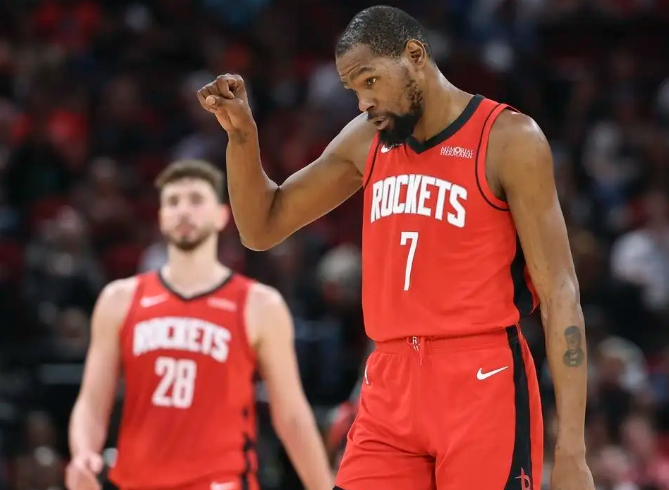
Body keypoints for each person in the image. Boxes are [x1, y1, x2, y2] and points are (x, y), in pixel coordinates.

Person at [197, 6, 596, 490]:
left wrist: (571, 451)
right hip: (389, 378)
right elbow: (262, 227)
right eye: (354, 90)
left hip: (481, 377)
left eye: (370, 81)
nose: (363, 102)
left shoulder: (509, 140)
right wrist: (242, 137)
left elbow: (560, 293)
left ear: (414, 55)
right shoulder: (367, 140)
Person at [65, 160, 333, 490]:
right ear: (161, 217)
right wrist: (83, 454)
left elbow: (292, 416)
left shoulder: (260, 305)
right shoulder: (119, 300)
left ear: (222, 215)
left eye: (195, 200)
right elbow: (92, 402)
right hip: (137, 482)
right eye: (173, 202)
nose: (183, 211)